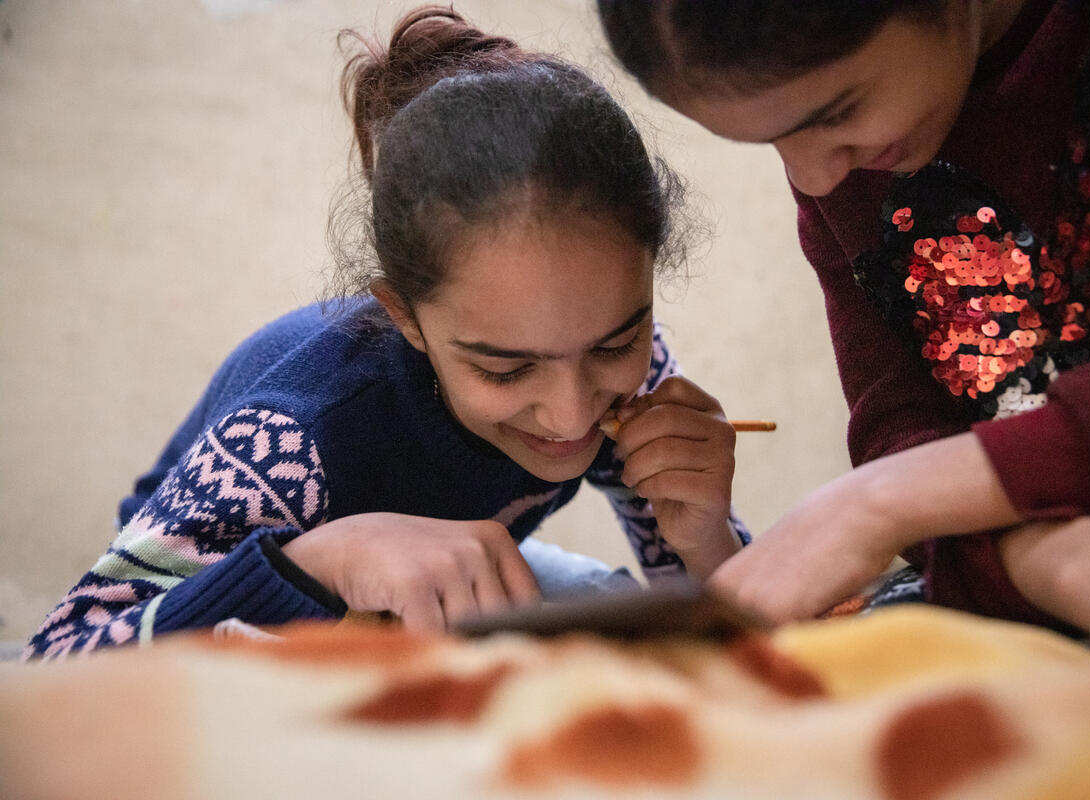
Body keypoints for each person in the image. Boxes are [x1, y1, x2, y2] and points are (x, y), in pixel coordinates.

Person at [24, 5, 750, 660]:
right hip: (220, 609)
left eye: (615, 345)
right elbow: (54, 666)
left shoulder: (627, 379)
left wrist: (706, 537)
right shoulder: (293, 440)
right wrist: (324, 561)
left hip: (423, 601)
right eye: (504, 370)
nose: (572, 412)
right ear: (404, 316)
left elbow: (739, 620)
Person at [596, 0, 1090, 635]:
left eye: (837, 112)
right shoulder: (848, 169)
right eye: (771, 143)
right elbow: (901, 424)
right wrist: (1057, 564)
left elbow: (908, 478)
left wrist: (888, 502)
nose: (815, 178)